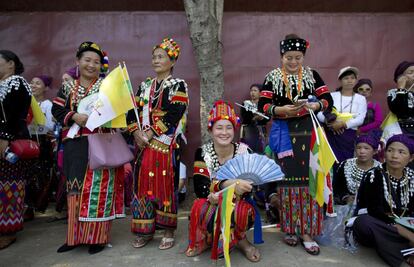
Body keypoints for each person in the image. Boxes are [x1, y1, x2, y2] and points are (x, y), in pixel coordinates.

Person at [258, 34, 334, 255]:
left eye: (298, 58)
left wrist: (316, 105)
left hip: (308, 134)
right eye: (288, 57)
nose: (293, 62)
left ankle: (307, 232)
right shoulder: (272, 77)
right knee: (287, 185)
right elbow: (263, 105)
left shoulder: (312, 75)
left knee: (309, 183)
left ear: (304, 57)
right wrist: (279, 110)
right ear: (281, 56)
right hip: (283, 134)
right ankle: (291, 228)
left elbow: (327, 99)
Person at [52, 41, 125, 254]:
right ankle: (74, 237)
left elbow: (121, 112)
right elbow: (57, 110)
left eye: (96, 62)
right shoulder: (67, 87)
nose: (91, 65)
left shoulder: (107, 87)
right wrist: (74, 115)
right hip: (76, 144)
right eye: (87, 60)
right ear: (78, 61)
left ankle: (97, 238)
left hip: (101, 142)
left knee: (99, 189)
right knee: (74, 188)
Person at [127, 37, 188, 250]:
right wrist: (135, 132)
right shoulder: (144, 85)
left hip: (165, 144)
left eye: (161, 57)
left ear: (172, 61)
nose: (156, 60)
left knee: (166, 186)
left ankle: (168, 229)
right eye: (154, 57)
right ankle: (144, 229)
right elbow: (131, 111)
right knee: (142, 185)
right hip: (143, 145)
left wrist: (152, 132)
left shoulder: (178, 85)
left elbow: (175, 113)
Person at [185, 100, 260, 262]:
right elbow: (201, 189)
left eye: (229, 127)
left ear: (234, 129)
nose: (224, 132)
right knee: (200, 206)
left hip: (237, 203)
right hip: (210, 202)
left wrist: (237, 190)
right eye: (219, 127)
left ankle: (241, 240)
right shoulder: (202, 152)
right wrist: (228, 184)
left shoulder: (244, 151)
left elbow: (252, 188)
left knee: (242, 211)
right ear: (211, 131)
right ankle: (207, 238)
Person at [352, 134, 414, 267]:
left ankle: (406, 246)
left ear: (411, 157)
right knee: (363, 223)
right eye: (390, 150)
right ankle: (407, 248)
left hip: (407, 226)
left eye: (401, 152)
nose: (394, 156)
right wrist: (401, 231)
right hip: (381, 224)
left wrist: (408, 229)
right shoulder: (374, 175)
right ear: (384, 153)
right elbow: (374, 211)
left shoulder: (412, 177)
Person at [0, 50, 32, 249]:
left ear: (11, 64)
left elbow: (14, 114)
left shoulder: (17, 83)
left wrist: (4, 137)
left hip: (10, 142)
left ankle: (8, 230)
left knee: (9, 186)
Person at [318, 66, 367, 164]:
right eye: (346, 78)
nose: (350, 81)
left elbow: (360, 119)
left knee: (346, 163)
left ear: (356, 80)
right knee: (331, 162)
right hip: (332, 133)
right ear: (340, 80)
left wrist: (343, 124)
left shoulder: (360, 99)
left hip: (349, 135)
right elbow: (319, 112)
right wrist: (330, 122)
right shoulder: (331, 96)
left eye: (352, 78)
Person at [25, 75, 56, 214]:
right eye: (31, 82)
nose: (33, 85)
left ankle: (38, 204)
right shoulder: (25, 103)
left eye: (38, 83)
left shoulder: (47, 105)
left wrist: (29, 128)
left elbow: (49, 128)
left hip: (41, 145)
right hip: (26, 144)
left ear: (46, 88)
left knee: (40, 175)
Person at [333, 135, 381, 205]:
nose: (362, 151)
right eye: (358, 148)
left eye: (366, 148)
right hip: (346, 208)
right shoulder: (345, 165)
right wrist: (345, 197)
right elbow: (337, 188)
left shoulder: (380, 169)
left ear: (375, 151)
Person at [387, 61, 414, 139]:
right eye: (410, 72)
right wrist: (401, 89)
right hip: (401, 132)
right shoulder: (393, 92)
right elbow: (400, 111)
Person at [239, 83, 267, 153]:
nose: (252, 93)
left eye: (255, 91)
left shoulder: (264, 104)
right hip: (249, 130)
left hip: (261, 131)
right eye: (251, 91)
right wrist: (254, 117)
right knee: (248, 151)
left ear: (260, 93)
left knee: (261, 151)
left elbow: (267, 118)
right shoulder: (246, 103)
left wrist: (261, 118)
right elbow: (245, 117)